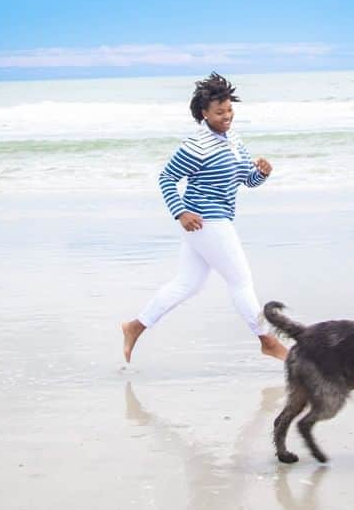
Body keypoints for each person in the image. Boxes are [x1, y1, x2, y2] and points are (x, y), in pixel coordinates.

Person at [122, 73, 288, 363]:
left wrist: (261, 173)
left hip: (215, 220)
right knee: (241, 281)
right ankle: (267, 341)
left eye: (229, 110)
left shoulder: (234, 139)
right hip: (205, 220)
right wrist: (180, 212)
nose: (227, 116)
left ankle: (135, 326)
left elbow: (245, 180)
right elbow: (166, 177)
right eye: (220, 112)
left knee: (188, 284)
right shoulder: (195, 145)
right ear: (204, 114)